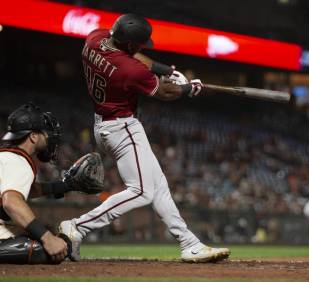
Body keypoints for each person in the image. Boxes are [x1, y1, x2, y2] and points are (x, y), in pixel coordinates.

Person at [59, 14, 230, 263]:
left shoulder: (95, 38)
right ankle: (78, 226)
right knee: (141, 191)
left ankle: (189, 243)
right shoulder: (128, 69)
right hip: (122, 127)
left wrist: (168, 71)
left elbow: (133, 56)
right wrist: (187, 88)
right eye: (139, 44)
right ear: (130, 44)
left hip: (104, 123)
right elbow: (163, 92)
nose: (141, 48)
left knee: (158, 185)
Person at [0, 103, 69, 264]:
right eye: (46, 133)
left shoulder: (7, 156)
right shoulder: (18, 160)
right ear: (33, 136)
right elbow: (11, 201)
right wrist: (47, 239)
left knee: (41, 236)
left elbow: (27, 191)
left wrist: (66, 185)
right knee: (43, 249)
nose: (50, 137)